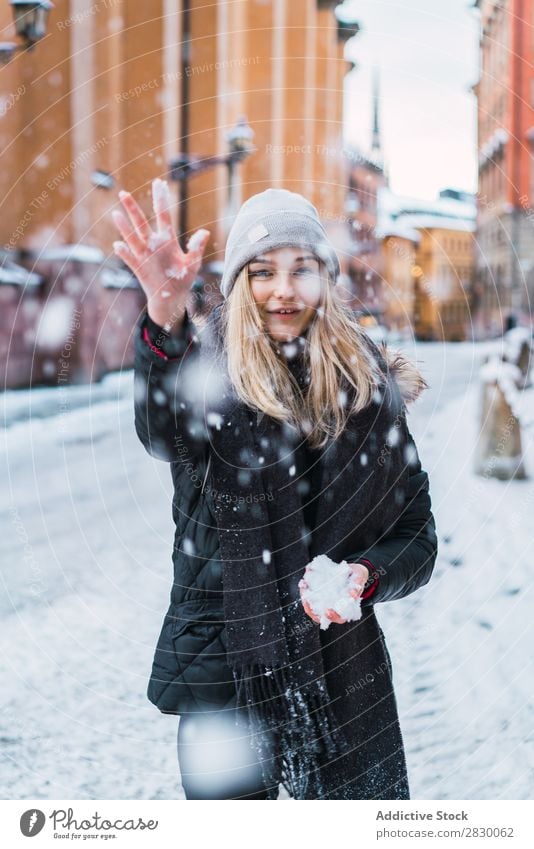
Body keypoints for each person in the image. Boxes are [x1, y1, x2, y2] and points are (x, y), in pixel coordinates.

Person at [112, 182, 438, 800]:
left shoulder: (368, 392)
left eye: (301, 269)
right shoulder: (201, 376)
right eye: (261, 272)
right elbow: (159, 431)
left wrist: (364, 576)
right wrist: (161, 320)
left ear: (326, 279)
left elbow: (416, 535)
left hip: (341, 668)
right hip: (225, 666)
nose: (283, 290)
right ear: (239, 283)